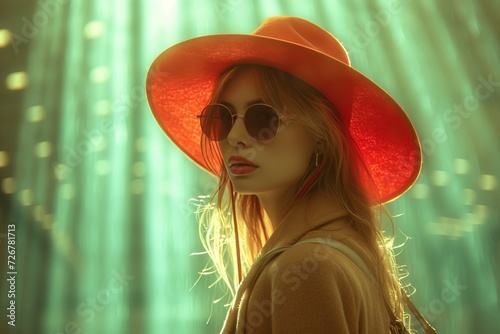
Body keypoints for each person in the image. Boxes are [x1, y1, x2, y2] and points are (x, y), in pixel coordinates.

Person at [146, 16, 436, 334]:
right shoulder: (342, 254)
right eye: (221, 117)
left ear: (321, 137)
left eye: (262, 118)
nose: (236, 136)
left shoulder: (305, 268)